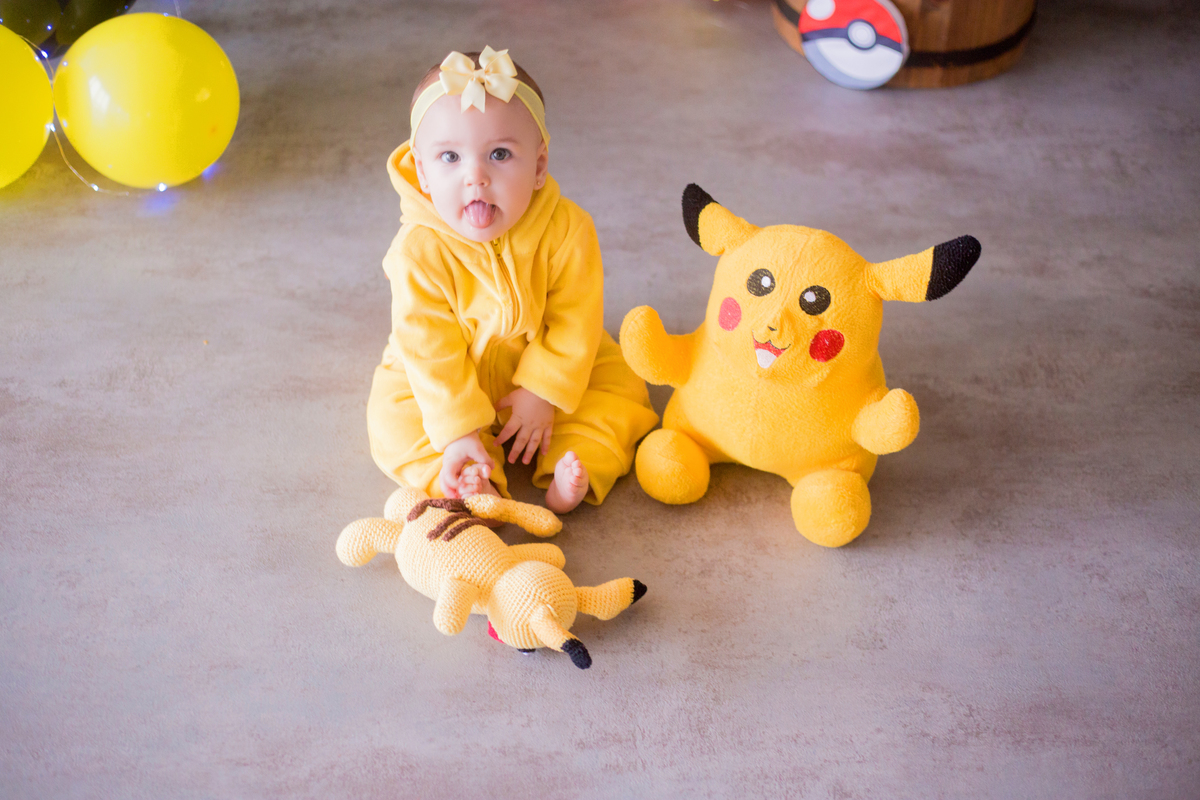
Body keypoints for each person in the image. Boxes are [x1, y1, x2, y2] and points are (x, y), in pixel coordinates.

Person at [367, 47, 658, 514]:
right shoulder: (417, 252)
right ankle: (466, 479)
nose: (475, 177)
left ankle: (576, 465)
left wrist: (545, 390)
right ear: (422, 173)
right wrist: (459, 428)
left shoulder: (567, 227)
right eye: (449, 157)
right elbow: (428, 345)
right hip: (450, 374)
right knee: (396, 421)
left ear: (539, 166)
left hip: (545, 355)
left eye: (499, 154)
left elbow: (575, 316)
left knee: (617, 391)